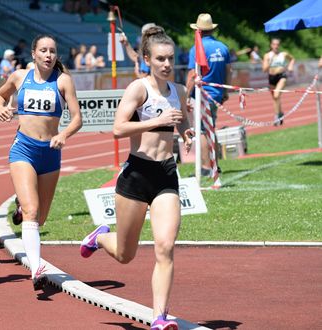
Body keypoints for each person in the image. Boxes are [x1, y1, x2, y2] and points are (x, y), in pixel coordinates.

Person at [80, 25, 194, 330]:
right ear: (147, 59)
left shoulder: (179, 91)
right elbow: (118, 129)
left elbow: (181, 124)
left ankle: (159, 317)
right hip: (136, 174)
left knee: (165, 246)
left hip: (166, 174)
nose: (167, 64)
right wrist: (156, 120)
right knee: (125, 254)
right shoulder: (139, 89)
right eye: (160, 59)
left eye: (170, 58)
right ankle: (100, 237)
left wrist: (187, 133)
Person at [0, 34, 82, 290]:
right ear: (33, 53)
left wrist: (63, 134)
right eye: (43, 50)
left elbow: (77, 118)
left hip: (50, 153)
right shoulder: (20, 76)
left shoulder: (63, 80)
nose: (48, 55)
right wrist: (0, 108)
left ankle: (21, 211)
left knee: (39, 218)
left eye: (52, 51)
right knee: (33, 210)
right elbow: (0, 96)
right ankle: (36, 268)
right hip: (24, 149)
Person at [186, 13, 231, 177]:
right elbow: (228, 70)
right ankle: (214, 164)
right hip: (217, 94)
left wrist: (185, 97)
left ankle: (206, 167)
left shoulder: (197, 48)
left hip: (202, 94)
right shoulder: (223, 47)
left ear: (198, 30)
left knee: (203, 131)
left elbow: (192, 74)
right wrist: (225, 91)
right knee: (210, 129)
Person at [262, 38, 295, 126]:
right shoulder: (267, 55)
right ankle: (280, 113)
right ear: (271, 45)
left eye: (277, 44)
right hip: (271, 78)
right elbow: (264, 69)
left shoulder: (283, 54)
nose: (276, 46)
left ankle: (276, 117)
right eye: (274, 44)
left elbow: (292, 59)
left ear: (279, 45)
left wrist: (290, 67)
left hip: (281, 76)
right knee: (276, 98)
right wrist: (270, 61)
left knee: (276, 95)